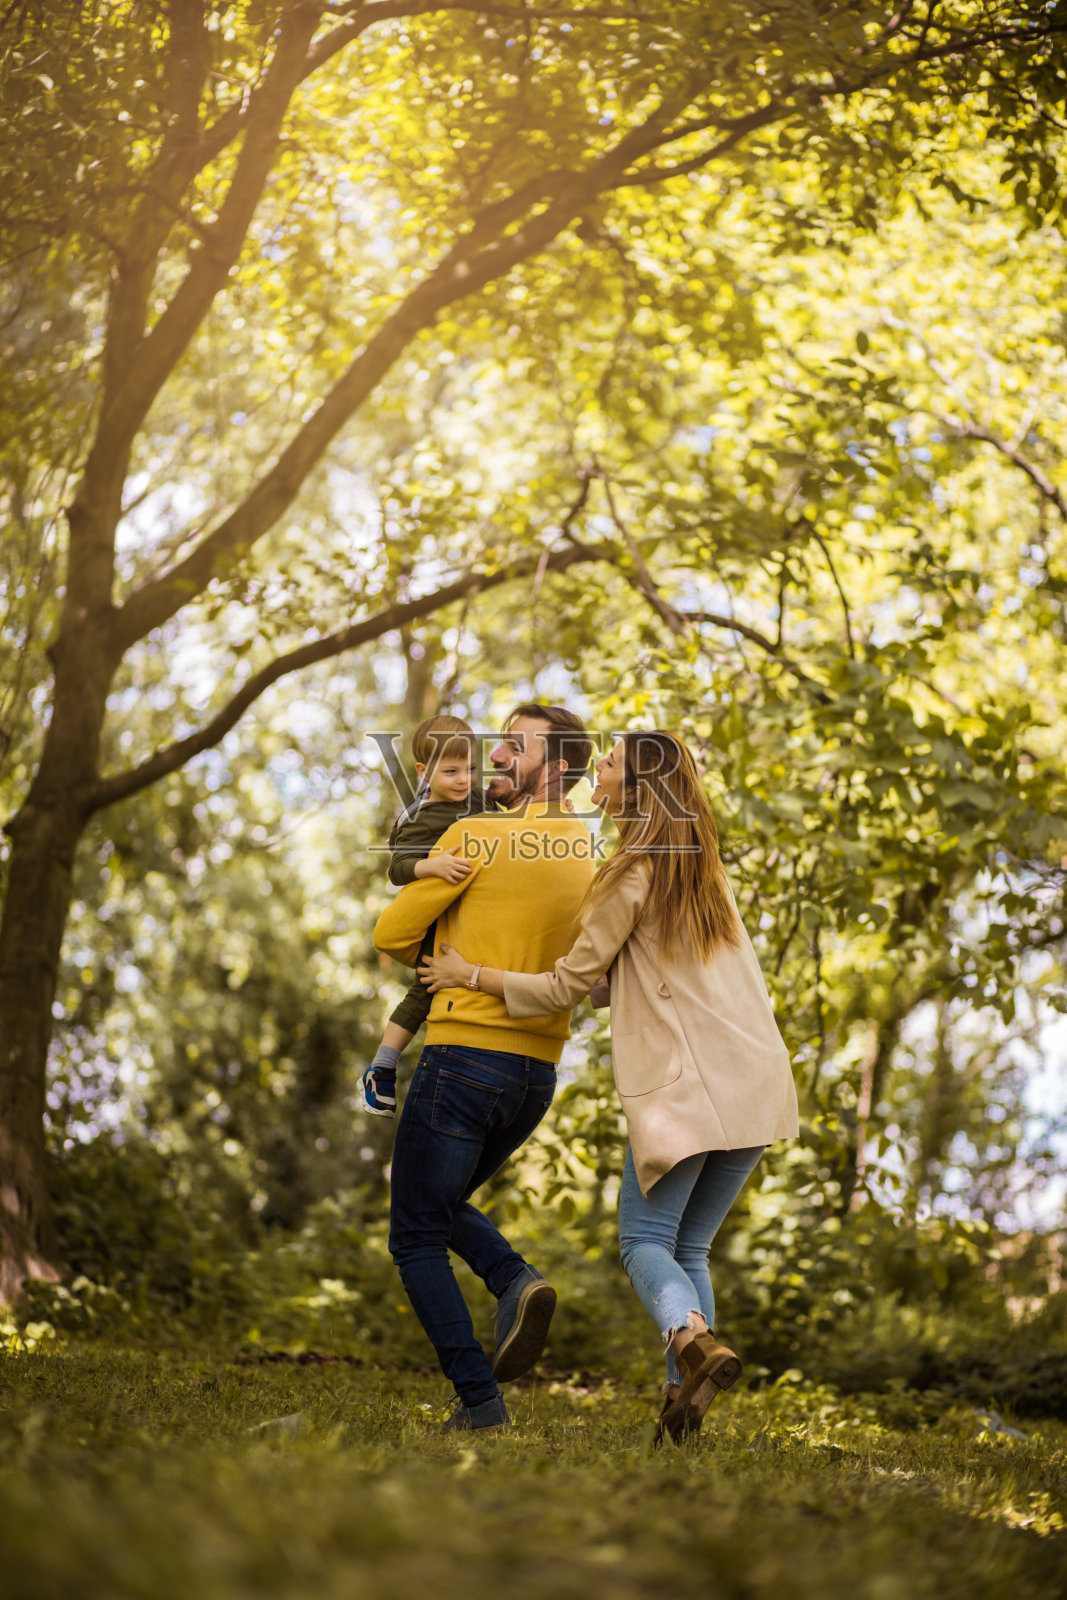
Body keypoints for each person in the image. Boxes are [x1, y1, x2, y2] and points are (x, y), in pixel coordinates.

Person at [419, 729, 799, 1443]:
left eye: (611, 765)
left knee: (644, 1241)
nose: (597, 771)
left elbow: (565, 985)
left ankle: (693, 1341)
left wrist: (469, 975)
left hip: (690, 1086)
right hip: (756, 1080)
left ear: (637, 789)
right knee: (689, 1252)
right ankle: (678, 1409)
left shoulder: (630, 870)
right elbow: (615, 982)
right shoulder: (697, 868)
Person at [373, 704, 596, 1431]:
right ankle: (512, 1281)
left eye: (514, 745)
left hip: (464, 1057)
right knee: (436, 1207)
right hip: (534, 1076)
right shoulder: (590, 858)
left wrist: (446, 945)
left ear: (557, 766)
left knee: (413, 1232)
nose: (497, 754)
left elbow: (392, 933)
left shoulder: (476, 835)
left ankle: (480, 1397)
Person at [360, 714, 498, 1117]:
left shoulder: (479, 801)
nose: (463, 779)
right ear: (423, 772)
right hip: (436, 919)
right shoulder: (417, 817)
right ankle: (382, 1067)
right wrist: (431, 866)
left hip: (475, 914)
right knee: (423, 990)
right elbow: (397, 869)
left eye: (471, 769)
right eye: (451, 771)